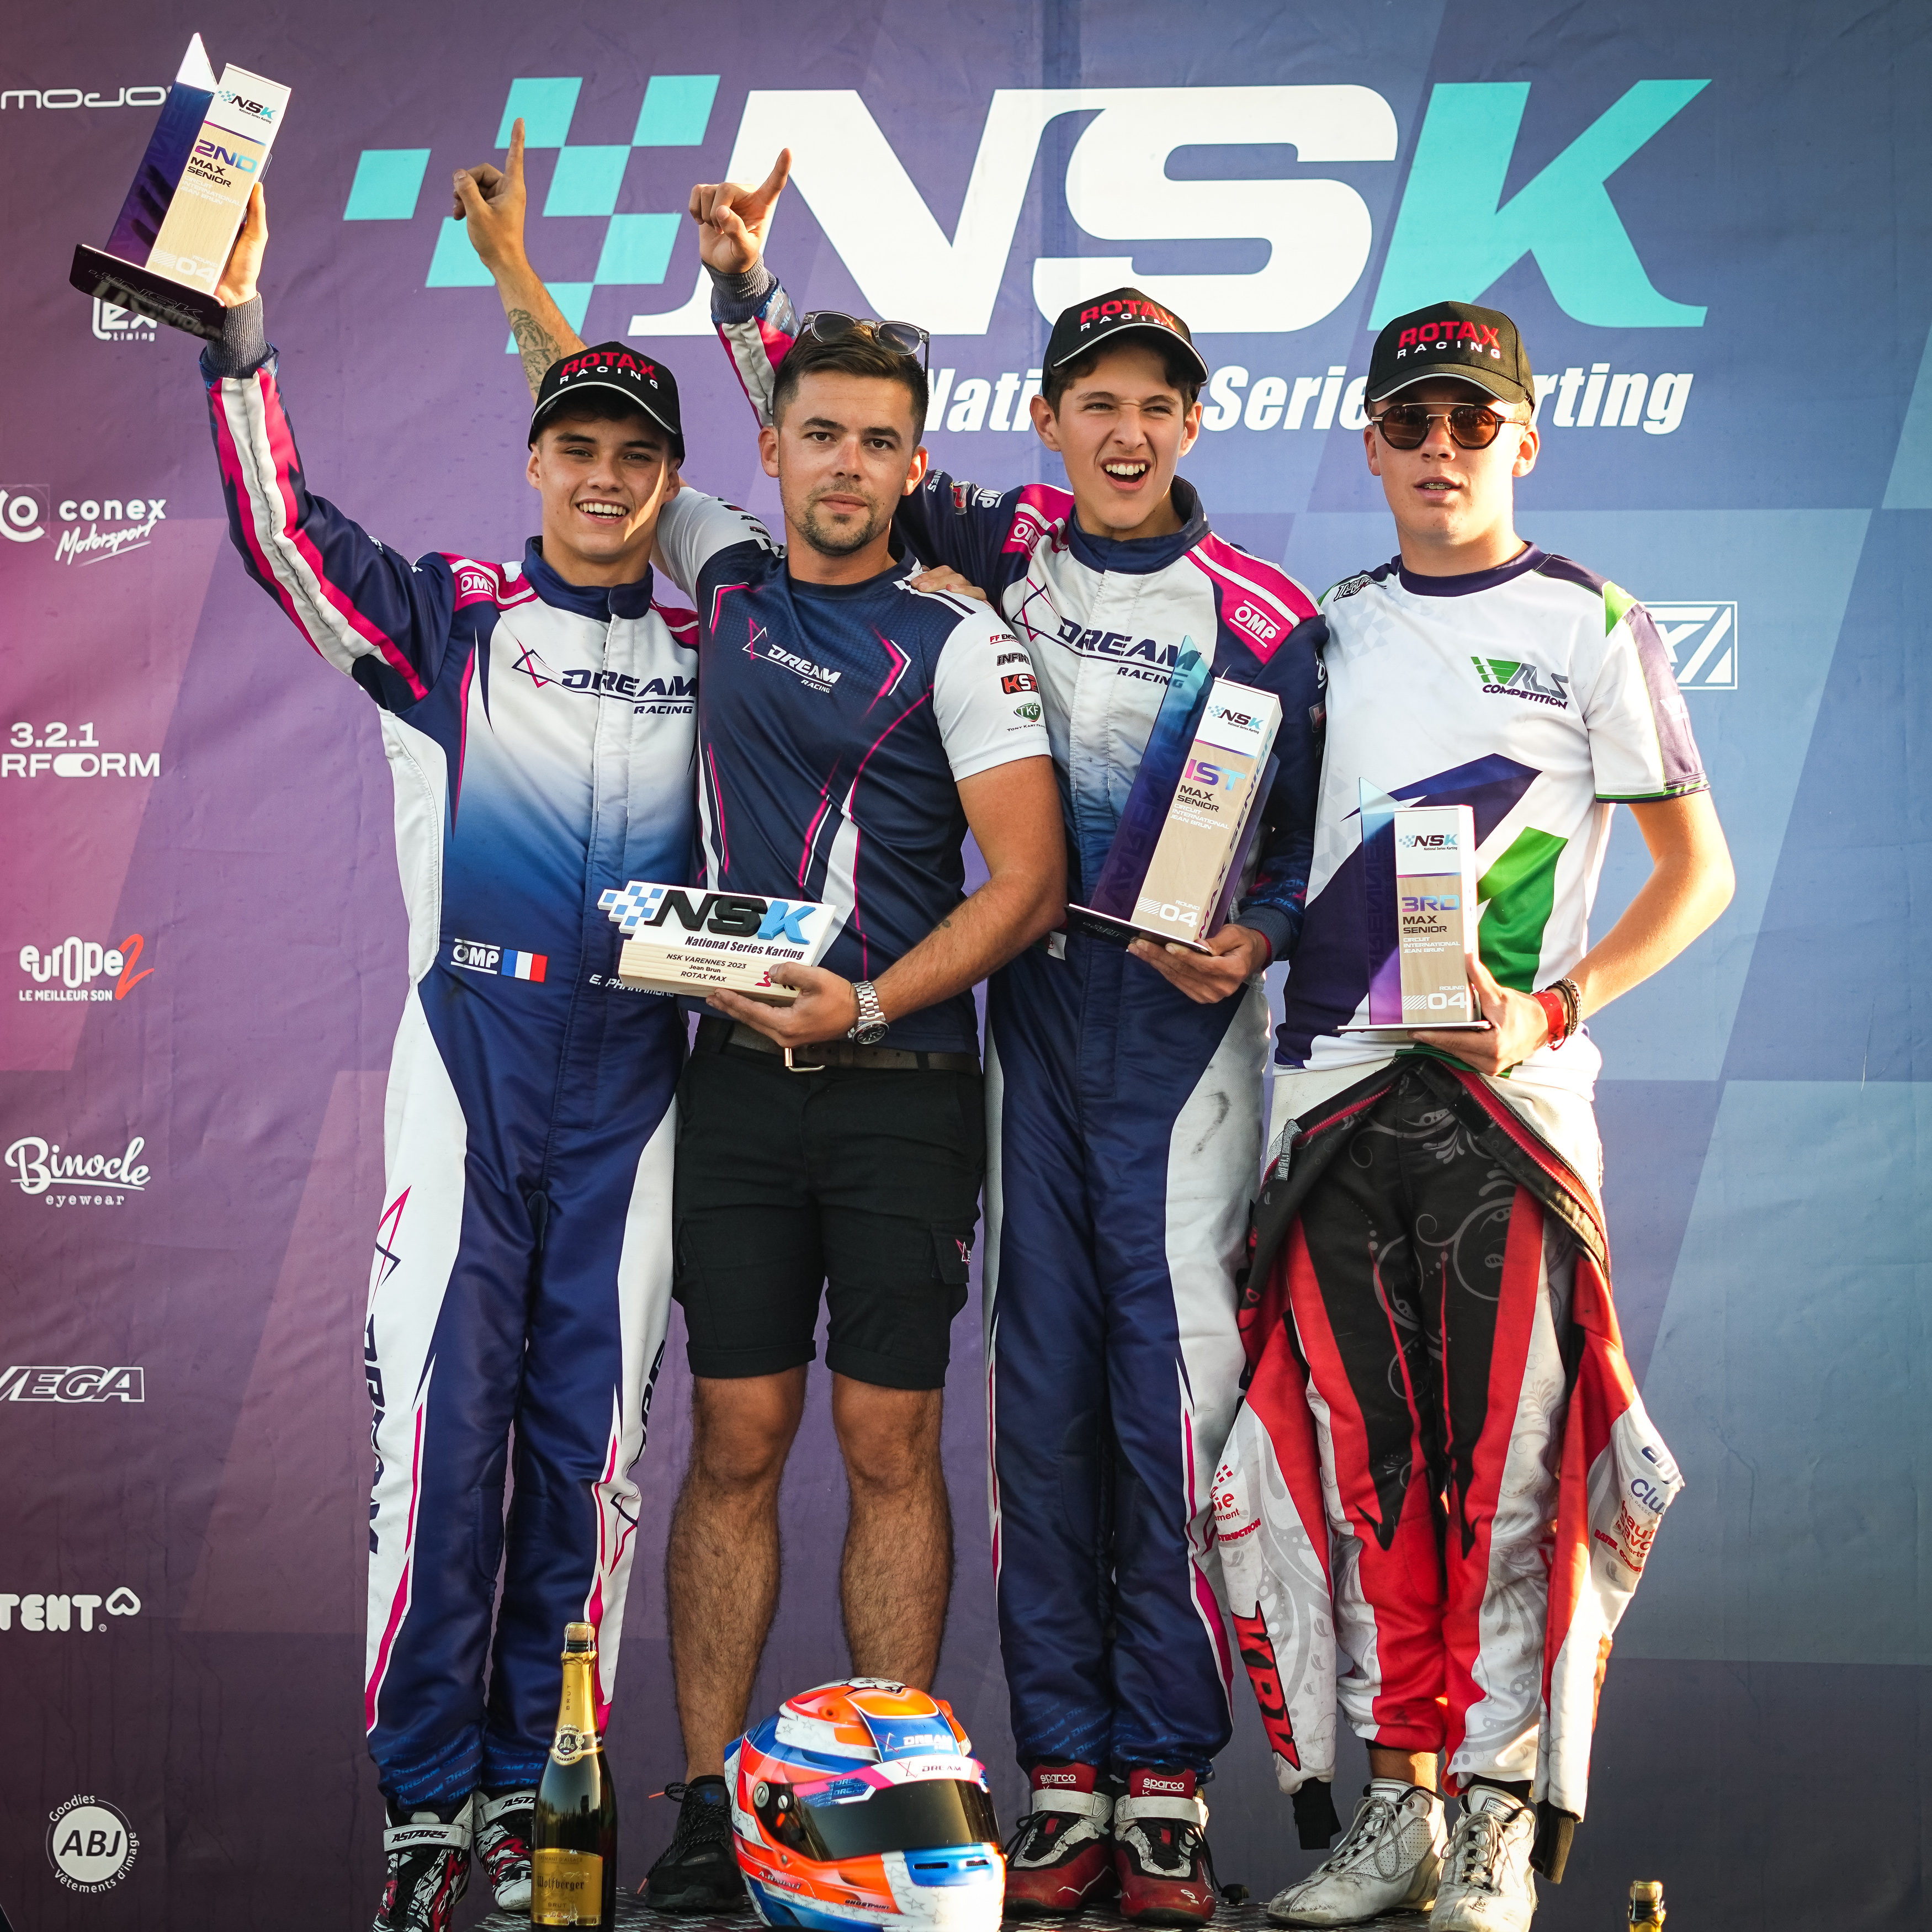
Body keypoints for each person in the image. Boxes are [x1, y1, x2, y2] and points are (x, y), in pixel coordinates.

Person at [692, 156, 1326, 1928]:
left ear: (1193, 421)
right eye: (1094, 405)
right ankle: (1063, 1774)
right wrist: (748, 295)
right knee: (1035, 1407)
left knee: (1171, 1411)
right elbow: (829, 445)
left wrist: (1263, 932)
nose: (1125, 434)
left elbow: (1308, 843)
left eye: (1155, 406)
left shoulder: (1271, 617)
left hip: (1181, 1048)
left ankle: (1165, 1781)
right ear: (1048, 422)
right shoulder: (1005, 546)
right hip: (1029, 1033)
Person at [460, 131, 1067, 1916]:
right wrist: (517, 275)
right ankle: (713, 1813)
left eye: (881, 440)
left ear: (911, 464)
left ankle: (889, 1809)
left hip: (900, 1087)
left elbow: (1027, 883)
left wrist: (867, 993)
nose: (848, 463)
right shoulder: (718, 562)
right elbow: (591, 409)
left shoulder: (962, 637)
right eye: (820, 432)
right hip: (726, 1089)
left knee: (887, 1448)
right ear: (775, 446)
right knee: (728, 1446)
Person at [201, 173, 702, 1931]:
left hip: (640, 1091)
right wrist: (239, 337)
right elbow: (283, 537)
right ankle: (425, 1805)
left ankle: (536, 1794)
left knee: (591, 1466)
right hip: (469, 1074)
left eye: (635, 456)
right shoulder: (449, 620)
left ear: (668, 483)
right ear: (534, 457)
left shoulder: (720, 648)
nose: (603, 477)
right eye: (577, 445)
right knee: (439, 1446)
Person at [1211, 303, 1734, 1932]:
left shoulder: (1594, 621)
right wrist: (1234, 934)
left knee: (1507, 1474)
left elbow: (1697, 876)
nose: (1440, 449)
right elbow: (1274, 863)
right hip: (1333, 1097)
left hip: (1508, 1105)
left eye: (1471, 421)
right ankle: (1403, 1808)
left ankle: (1500, 1813)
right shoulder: (1323, 635)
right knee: (1367, 1471)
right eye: (1410, 422)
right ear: (1370, 442)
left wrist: (1550, 1009)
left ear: (1524, 439)